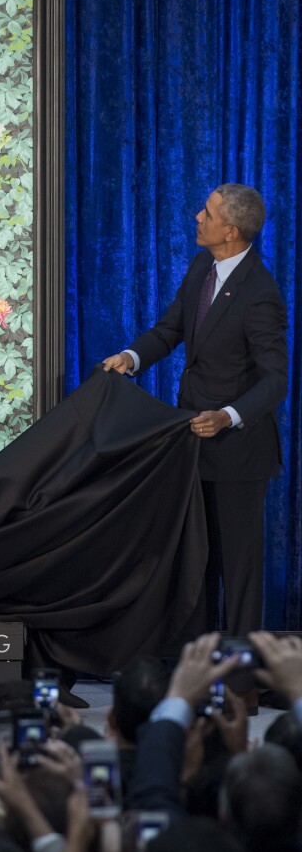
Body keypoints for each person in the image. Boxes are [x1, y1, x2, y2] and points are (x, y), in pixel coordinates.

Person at [103, 184, 288, 640]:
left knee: (239, 572)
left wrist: (228, 415)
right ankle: (199, 664)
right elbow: (169, 329)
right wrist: (132, 357)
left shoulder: (260, 293)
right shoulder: (203, 264)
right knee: (197, 561)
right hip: (192, 445)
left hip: (238, 453)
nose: (196, 219)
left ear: (231, 229)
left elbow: (276, 380)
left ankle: (243, 678)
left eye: (206, 214)